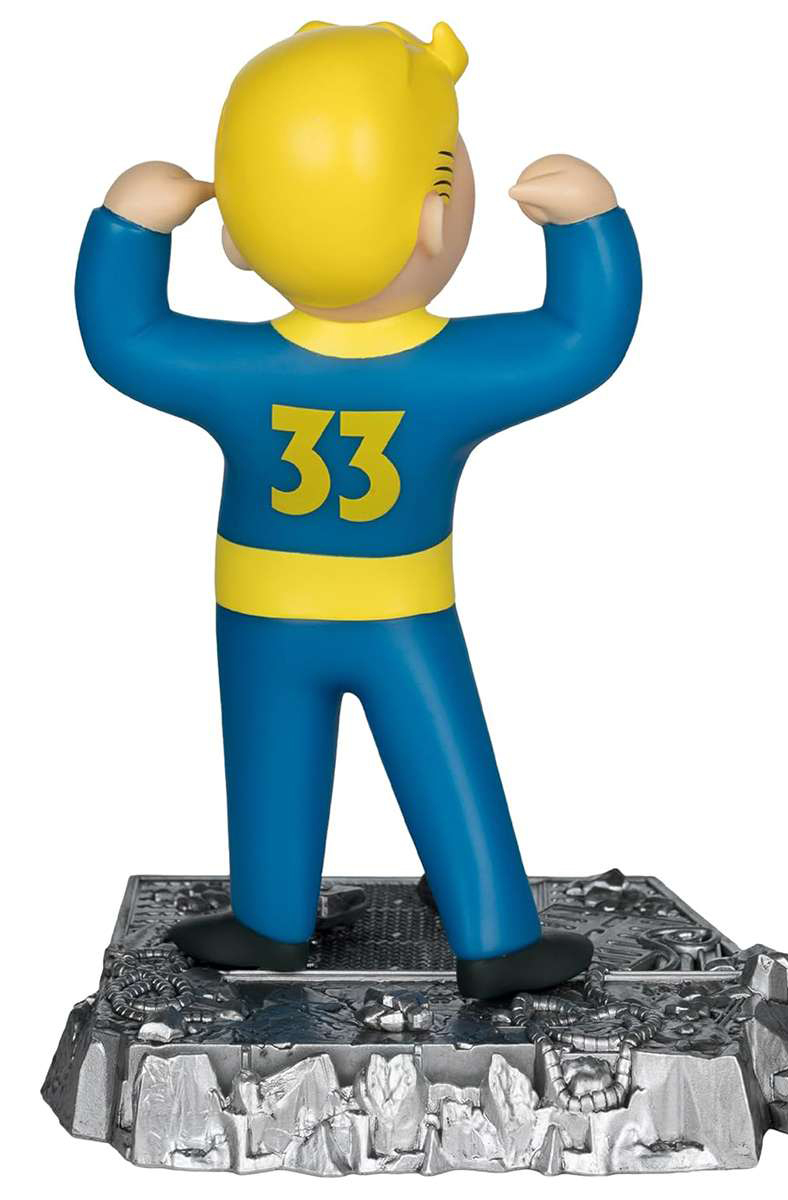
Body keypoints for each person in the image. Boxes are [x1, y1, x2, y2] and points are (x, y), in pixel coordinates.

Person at [75, 20, 641, 999]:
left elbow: (123, 335)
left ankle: (271, 918)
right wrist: (590, 224)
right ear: (433, 219)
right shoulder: (454, 372)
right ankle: (495, 936)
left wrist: (127, 227)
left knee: (269, 752)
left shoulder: (234, 368)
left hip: (260, 607)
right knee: (442, 758)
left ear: (237, 235)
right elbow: (580, 339)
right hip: (397, 612)